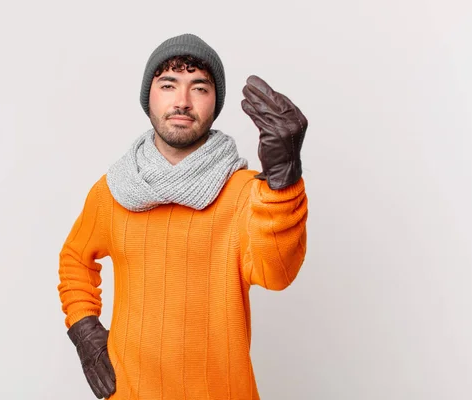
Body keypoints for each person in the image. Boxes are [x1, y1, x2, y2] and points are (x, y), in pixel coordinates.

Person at [57, 33, 309, 400]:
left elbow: (278, 274)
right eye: (168, 84)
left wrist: (285, 182)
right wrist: (84, 330)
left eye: (200, 88)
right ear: (149, 96)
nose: (182, 101)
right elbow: (75, 259)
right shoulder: (113, 190)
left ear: (215, 103)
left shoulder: (243, 191)